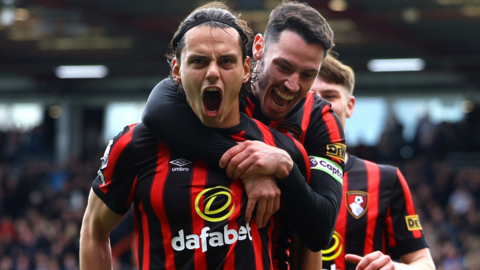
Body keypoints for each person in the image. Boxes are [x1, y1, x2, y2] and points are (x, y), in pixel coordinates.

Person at [80, 3, 313, 269]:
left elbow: (308, 243)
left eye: (226, 61)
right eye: (199, 61)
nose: (213, 72)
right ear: (177, 70)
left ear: (246, 69)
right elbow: (94, 230)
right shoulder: (135, 145)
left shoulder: (283, 154)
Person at [142, 1, 345, 261]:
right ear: (258, 48)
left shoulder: (321, 120)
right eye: (283, 66)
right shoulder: (225, 81)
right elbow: (157, 111)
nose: (292, 85)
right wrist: (249, 165)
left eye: (307, 75)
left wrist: (285, 169)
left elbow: (320, 230)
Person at [311, 54, 435, 270]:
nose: (320, 103)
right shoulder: (277, 171)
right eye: (310, 96)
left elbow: (424, 265)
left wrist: (395, 268)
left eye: (330, 95)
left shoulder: (386, 179)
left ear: (350, 106)